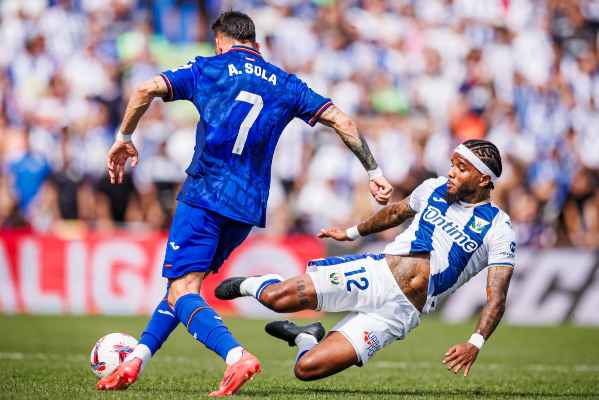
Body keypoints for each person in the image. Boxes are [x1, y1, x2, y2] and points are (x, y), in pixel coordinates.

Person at [97, 10, 393, 397]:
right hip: (247, 207)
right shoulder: (287, 84)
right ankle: (137, 360)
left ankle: (236, 356)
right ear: (255, 43)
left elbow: (145, 89)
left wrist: (123, 136)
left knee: (182, 289)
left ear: (221, 40)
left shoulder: (211, 68)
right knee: (183, 288)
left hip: (205, 193)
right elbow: (342, 121)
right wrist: (374, 171)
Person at [215, 139, 516, 381]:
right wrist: (351, 232)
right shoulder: (433, 188)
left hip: (400, 313)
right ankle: (253, 284)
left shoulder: (498, 227)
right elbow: (397, 211)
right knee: (276, 299)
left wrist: (475, 342)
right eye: (452, 164)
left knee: (306, 369)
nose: (451, 172)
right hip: (377, 274)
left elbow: (497, 295)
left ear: (483, 178)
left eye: (461, 168)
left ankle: (305, 337)